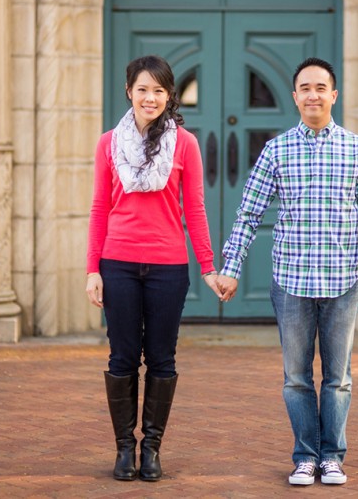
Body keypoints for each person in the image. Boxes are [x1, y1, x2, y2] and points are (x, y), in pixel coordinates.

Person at [217, 57, 358, 487]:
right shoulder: (276, 150)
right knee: (296, 378)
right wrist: (231, 268)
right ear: (295, 96)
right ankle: (305, 457)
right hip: (291, 282)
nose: (313, 94)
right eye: (305, 88)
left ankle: (332, 456)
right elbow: (248, 213)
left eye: (320, 87)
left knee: (338, 378)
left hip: (344, 281)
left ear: (334, 94)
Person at [86, 55, 223, 482]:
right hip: (119, 263)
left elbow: (195, 210)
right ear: (129, 91)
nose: (151, 97)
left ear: (169, 96)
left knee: (162, 358)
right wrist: (93, 269)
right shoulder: (108, 142)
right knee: (122, 357)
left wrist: (207, 266)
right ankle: (124, 449)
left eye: (159, 91)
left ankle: (152, 449)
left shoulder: (185, 144)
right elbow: (99, 208)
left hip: (168, 266)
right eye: (143, 89)